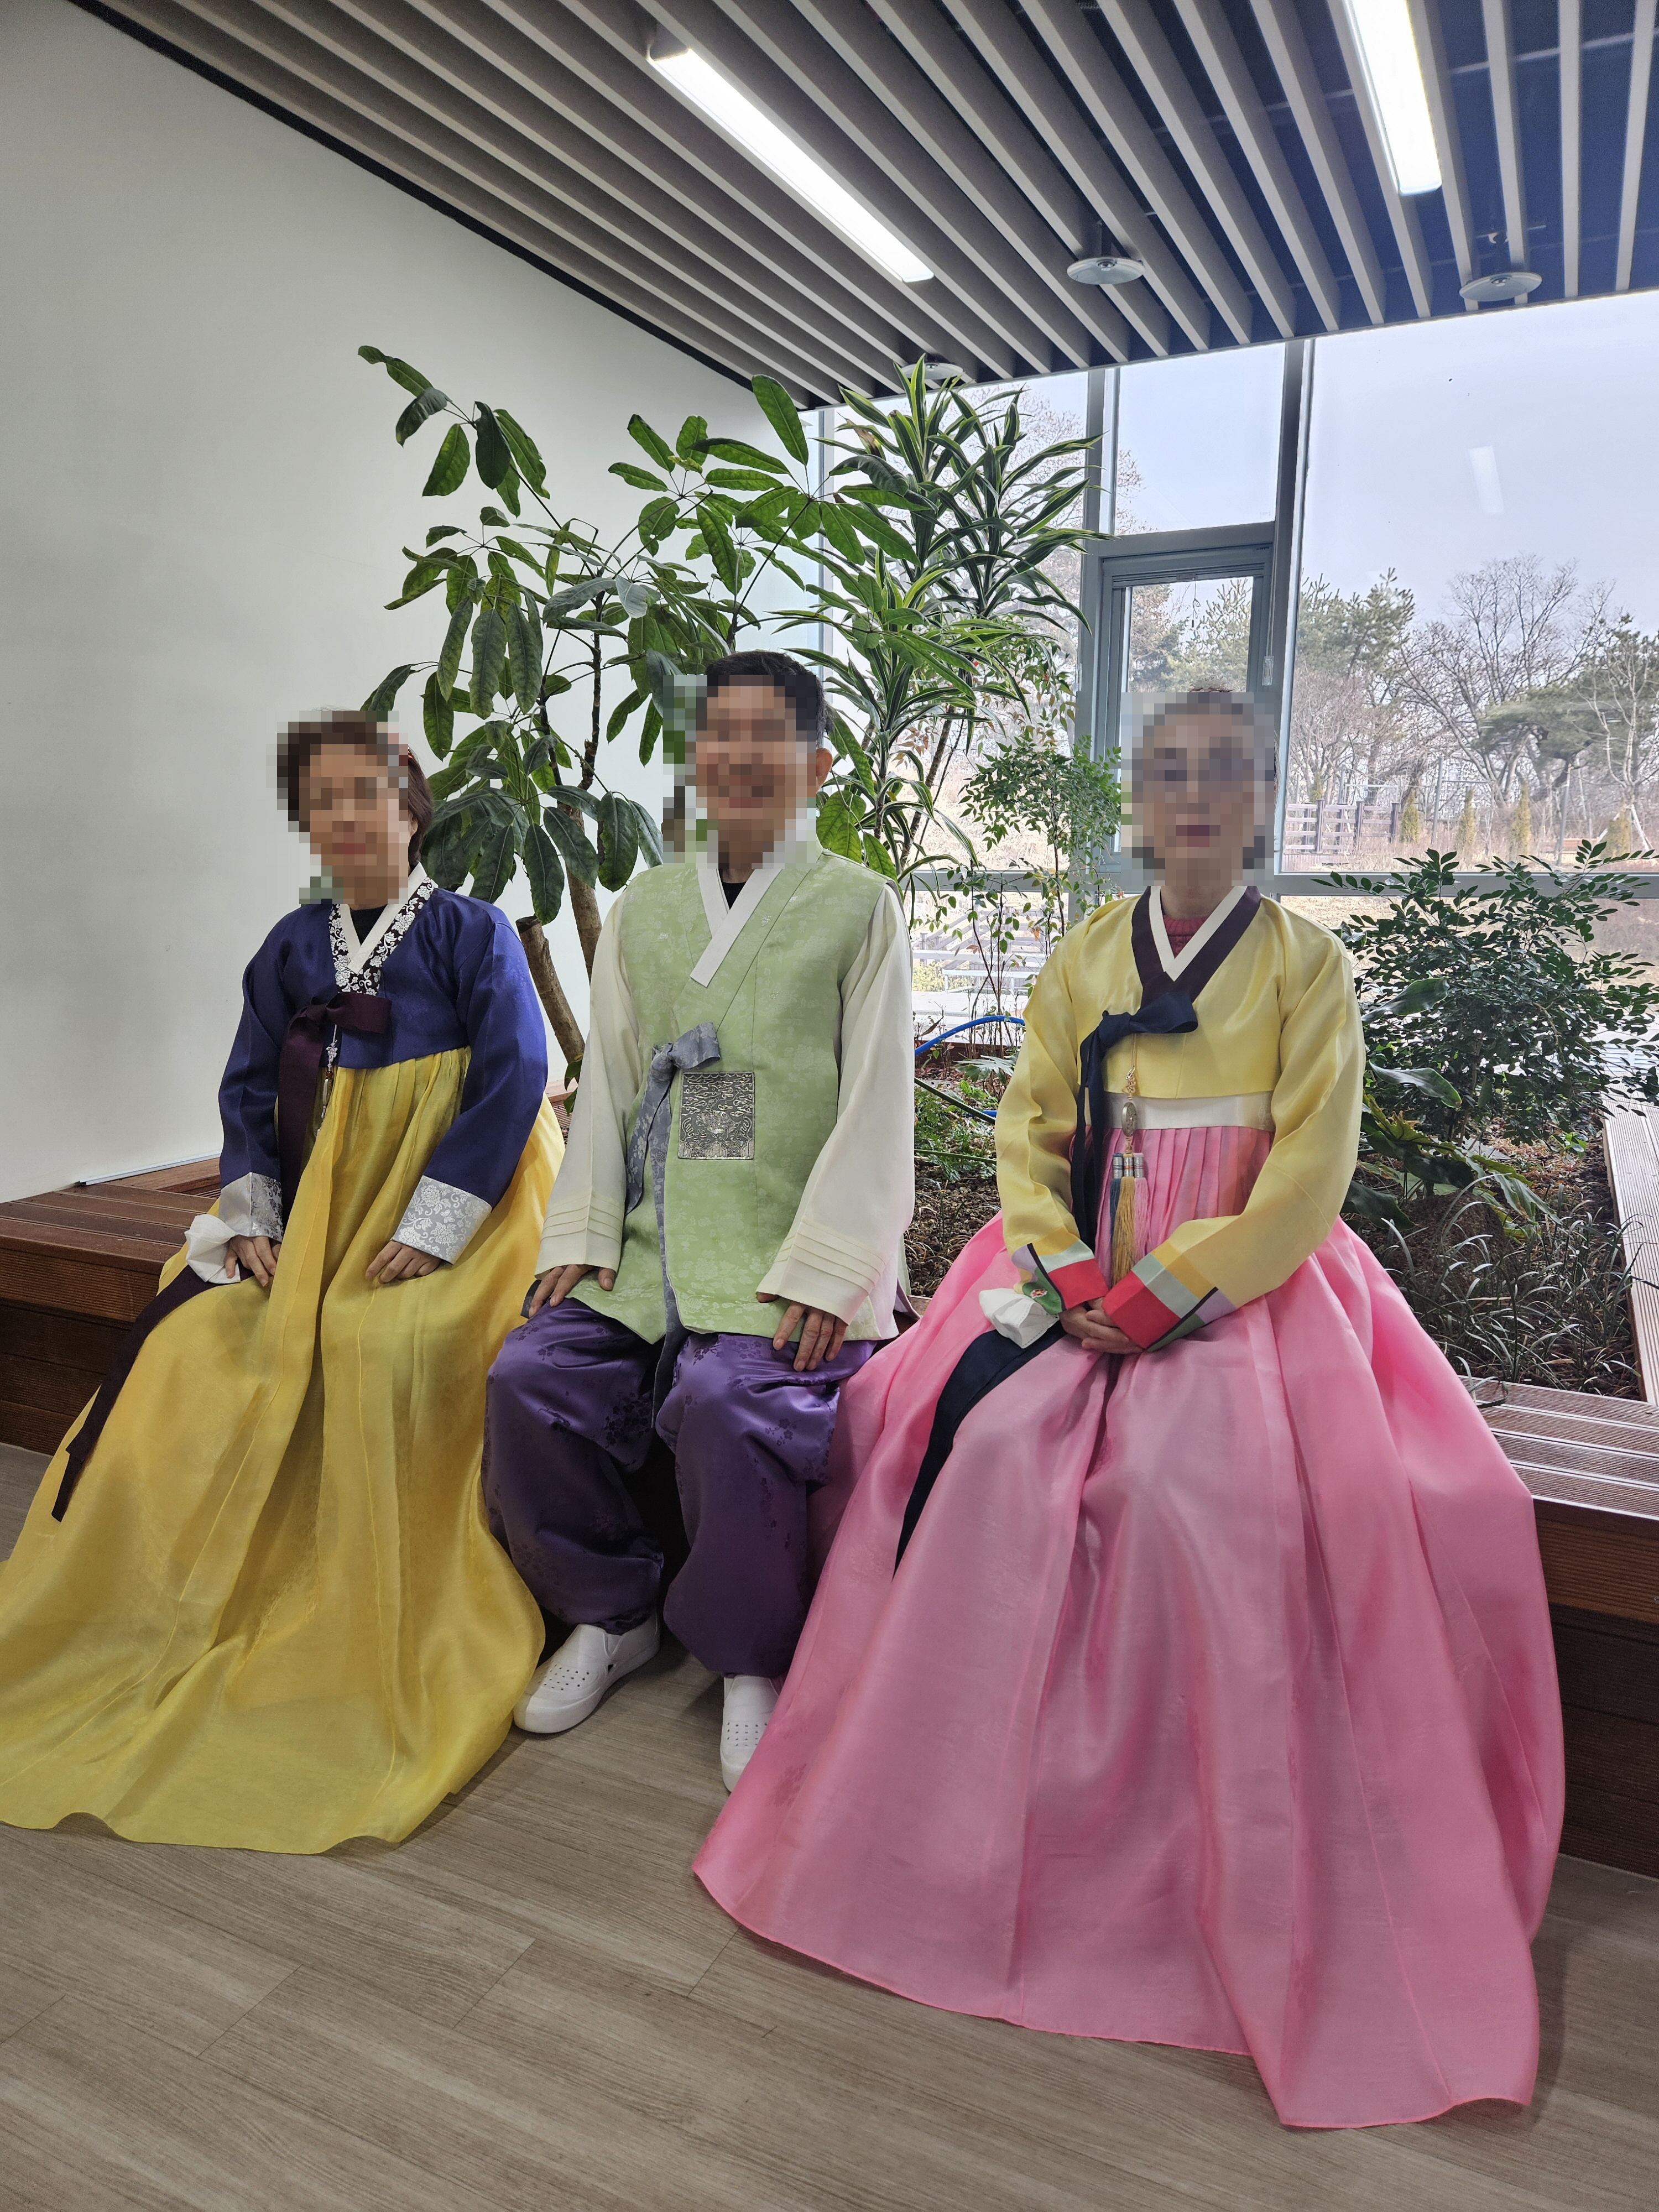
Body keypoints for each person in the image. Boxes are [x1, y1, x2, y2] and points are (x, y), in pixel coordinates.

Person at [695, 688, 1564, 2130]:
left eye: (1224, 772)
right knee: (972, 1450)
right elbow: (1029, 1131)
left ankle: (1176, 1864)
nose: (1194, 796)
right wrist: (1069, 1264)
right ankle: (944, 1834)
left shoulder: (1306, 969)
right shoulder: (1087, 951)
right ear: (1139, 803)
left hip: (1241, 1285)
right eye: (1168, 772)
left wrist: (1169, 1291)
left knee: (1202, 1495)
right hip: (1076, 1266)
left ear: (1262, 797)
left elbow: (1308, 1176)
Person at [0, 709, 562, 1854]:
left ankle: (366, 1611)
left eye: (368, 793)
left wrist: (437, 1224)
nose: (346, 817)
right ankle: (158, 1604)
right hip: (316, 1212)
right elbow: (250, 1088)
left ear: (412, 804)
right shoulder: (292, 946)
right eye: (322, 802)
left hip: (458, 1201)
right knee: (193, 1349)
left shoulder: (472, 931)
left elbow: (514, 1077)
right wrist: (253, 1215)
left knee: (386, 1347)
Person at [484, 650, 914, 1790]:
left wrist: (833, 1267)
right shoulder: (648, 906)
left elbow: (880, 1101)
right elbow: (616, 1079)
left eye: (768, 735)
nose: (737, 755)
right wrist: (583, 1233)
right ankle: (610, 1610)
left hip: (783, 1241)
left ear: (818, 765)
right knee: (531, 1376)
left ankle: (748, 1657)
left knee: (734, 1401)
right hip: (654, 1235)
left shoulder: (860, 907)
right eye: (719, 733)